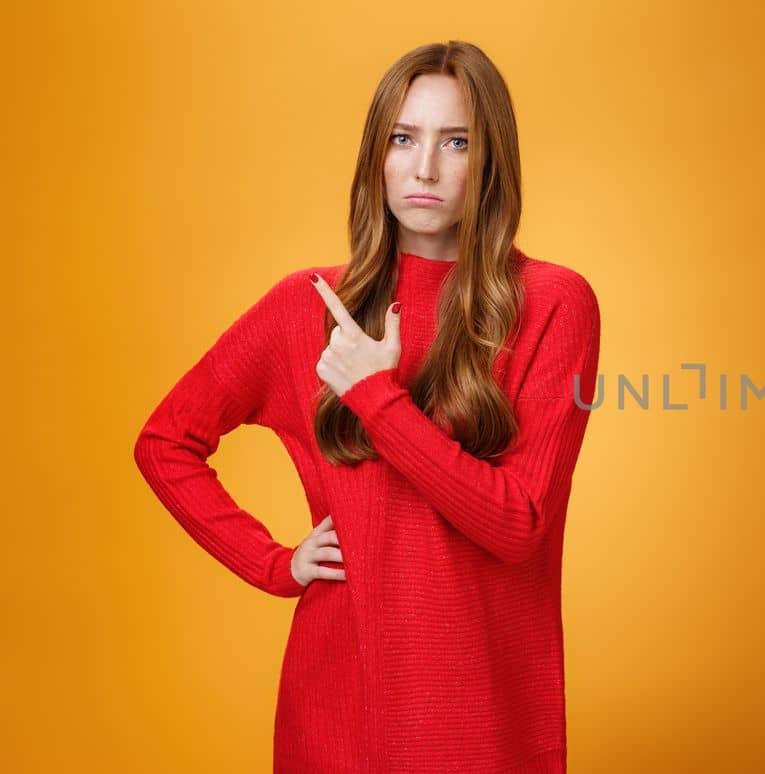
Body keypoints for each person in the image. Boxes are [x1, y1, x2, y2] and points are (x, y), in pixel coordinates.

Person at [132, 40, 599, 773]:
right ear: (376, 155)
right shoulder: (306, 308)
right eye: (403, 138)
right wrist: (273, 563)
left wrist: (376, 399)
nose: (424, 168)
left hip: (483, 709)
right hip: (340, 705)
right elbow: (165, 442)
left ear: (492, 161)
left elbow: (518, 526)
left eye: (457, 142)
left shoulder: (553, 304)